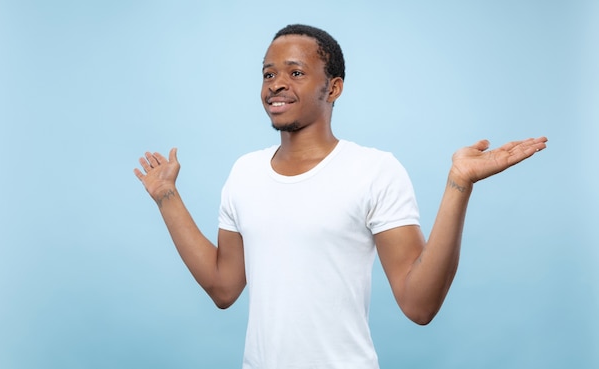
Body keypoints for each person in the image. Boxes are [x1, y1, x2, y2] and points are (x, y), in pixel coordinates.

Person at [134, 24, 547, 369]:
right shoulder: (244, 172)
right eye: (267, 73)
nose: (276, 83)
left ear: (333, 88)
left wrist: (459, 183)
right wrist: (167, 197)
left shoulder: (374, 171)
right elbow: (224, 288)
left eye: (295, 73)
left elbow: (419, 305)